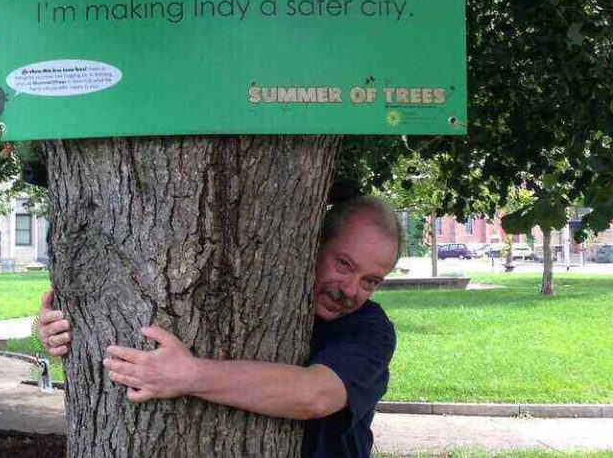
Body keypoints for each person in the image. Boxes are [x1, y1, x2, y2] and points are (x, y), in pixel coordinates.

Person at [38, 195, 400, 458]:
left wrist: (189, 376)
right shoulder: (265, 293)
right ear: (312, 245)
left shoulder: (369, 330)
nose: (351, 290)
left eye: (371, 281)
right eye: (344, 264)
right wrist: (56, 330)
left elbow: (315, 395)